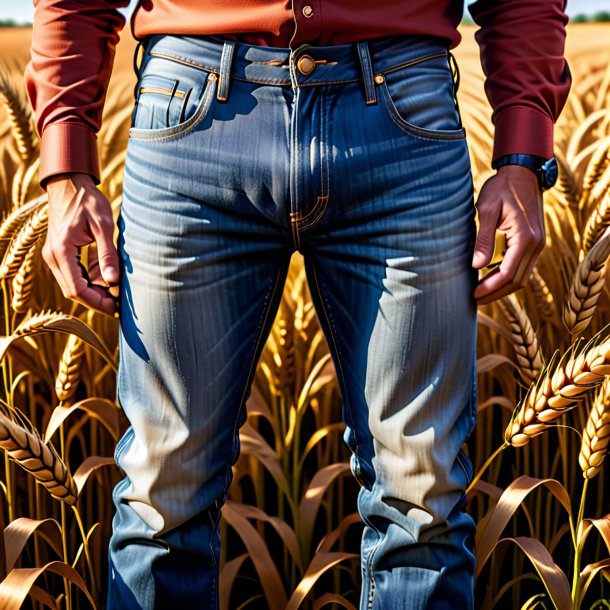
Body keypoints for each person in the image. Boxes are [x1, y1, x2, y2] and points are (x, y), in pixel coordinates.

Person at [25, 1, 570, 608]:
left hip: (402, 119)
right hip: (191, 115)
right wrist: (66, 162)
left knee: (425, 504)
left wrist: (523, 155)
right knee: (161, 497)